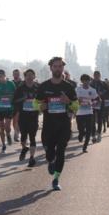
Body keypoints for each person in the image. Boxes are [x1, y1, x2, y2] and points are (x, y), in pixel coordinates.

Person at [36, 57, 78, 191]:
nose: (58, 69)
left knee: (61, 152)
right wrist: (40, 106)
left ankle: (56, 179)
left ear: (63, 68)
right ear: (51, 68)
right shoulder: (44, 86)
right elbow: (35, 103)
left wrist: (69, 102)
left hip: (64, 124)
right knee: (50, 152)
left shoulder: (68, 87)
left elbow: (76, 106)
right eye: (55, 66)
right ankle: (50, 161)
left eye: (60, 66)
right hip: (48, 125)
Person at [14, 69, 40, 167]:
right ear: (25, 77)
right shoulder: (20, 88)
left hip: (34, 115)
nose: (29, 77)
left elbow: (43, 98)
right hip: (23, 115)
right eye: (27, 75)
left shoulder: (38, 87)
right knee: (23, 136)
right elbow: (14, 101)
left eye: (31, 75)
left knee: (32, 137)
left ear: (34, 76)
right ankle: (24, 148)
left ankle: (32, 158)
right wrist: (23, 99)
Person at [75, 74, 98, 153]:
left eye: (87, 81)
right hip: (79, 113)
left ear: (89, 81)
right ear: (81, 81)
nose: (86, 82)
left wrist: (94, 103)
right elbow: (73, 99)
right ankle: (81, 134)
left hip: (89, 112)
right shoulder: (78, 89)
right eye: (84, 81)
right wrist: (78, 101)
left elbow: (97, 99)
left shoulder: (93, 90)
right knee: (80, 129)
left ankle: (85, 147)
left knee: (89, 130)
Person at [11, 69, 23, 142]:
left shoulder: (23, 83)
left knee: (19, 119)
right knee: (14, 120)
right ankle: (16, 132)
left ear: (19, 74)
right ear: (13, 75)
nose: (16, 75)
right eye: (15, 74)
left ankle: (17, 133)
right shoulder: (11, 83)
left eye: (17, 74)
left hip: (22, 103)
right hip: (13, 103)